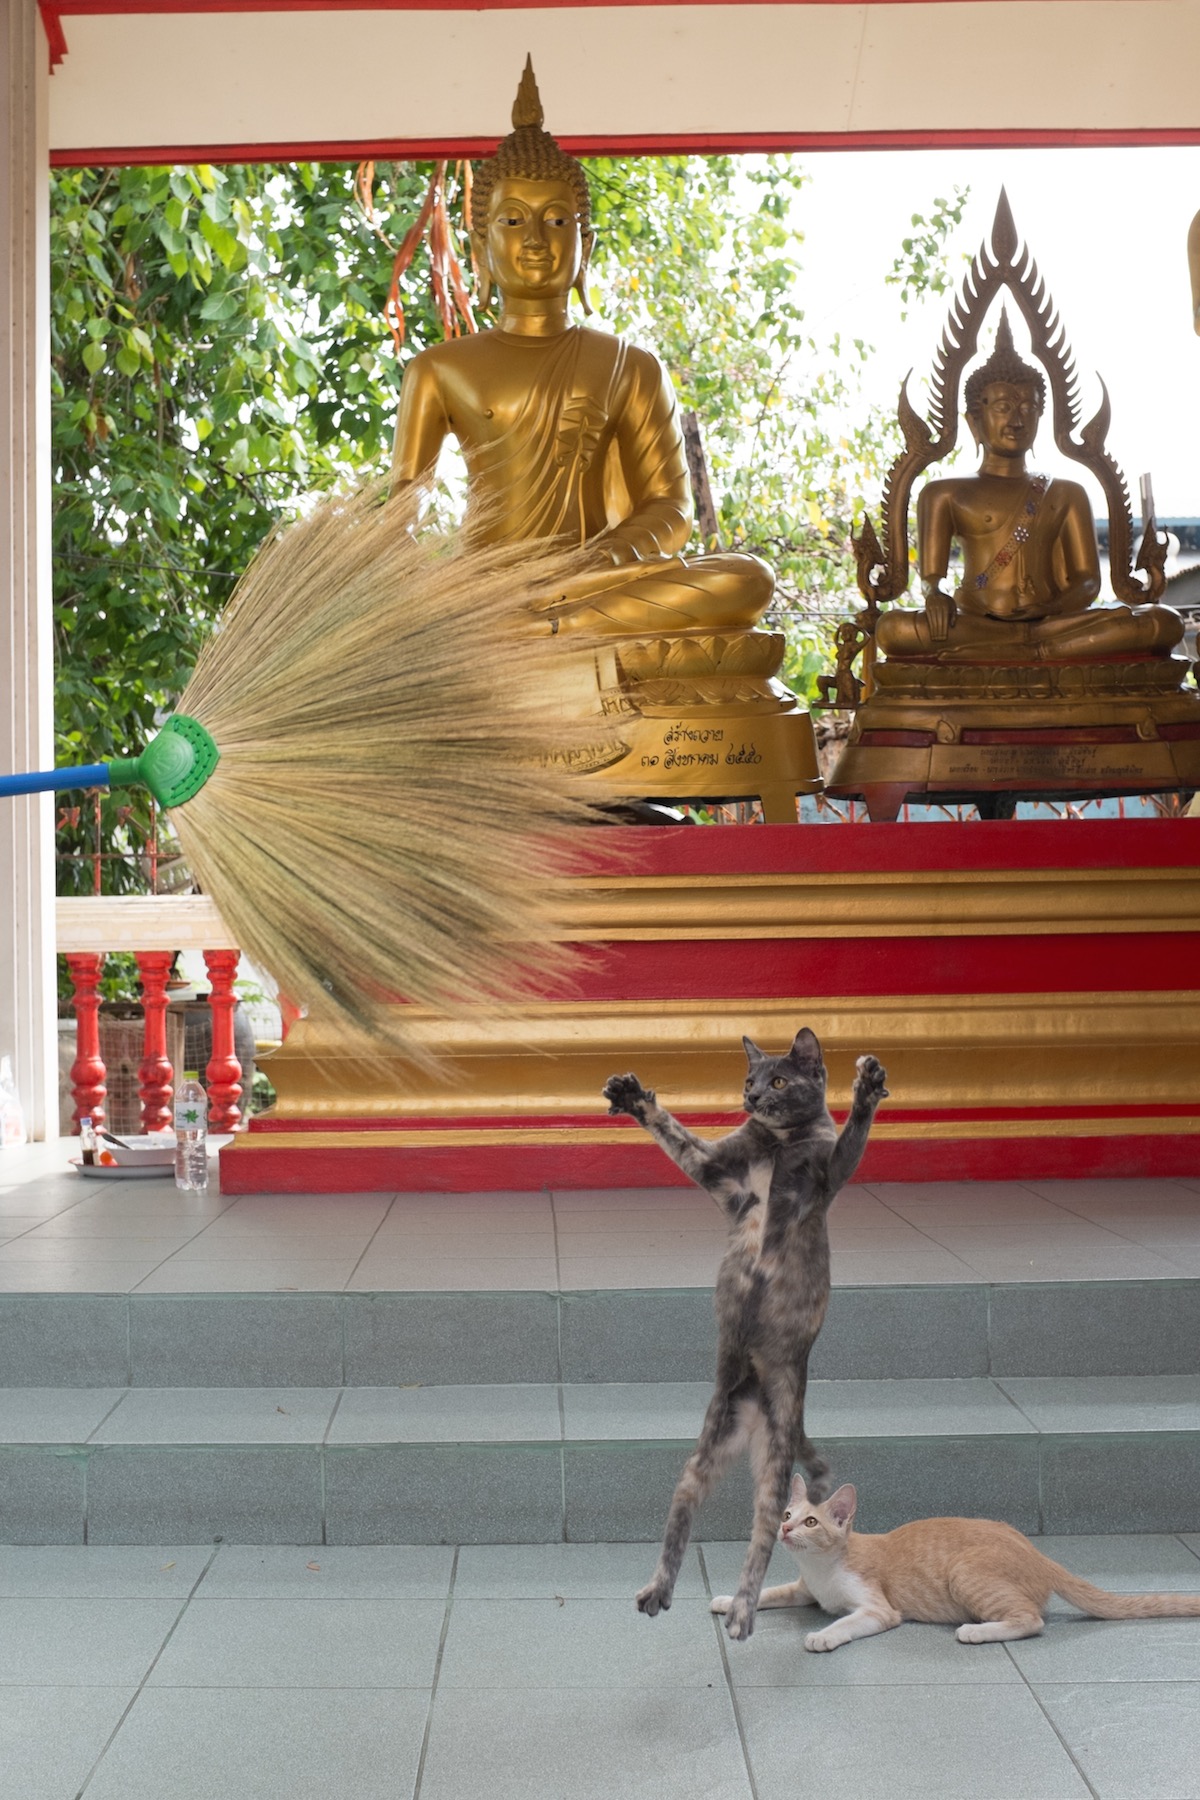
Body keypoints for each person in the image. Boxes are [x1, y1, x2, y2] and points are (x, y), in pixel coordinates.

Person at [389, 58, 773, 639]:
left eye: (556, 220)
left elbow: (670, 510)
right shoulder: (439, 369)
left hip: (593, 584)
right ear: (481, 245)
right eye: (514, 221)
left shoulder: (629, 366)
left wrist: (590, 566)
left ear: (584, 244)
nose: (537, 241)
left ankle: (539, 630)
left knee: (746, 580)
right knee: (426, 615)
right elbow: (399, 520)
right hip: (486, 590)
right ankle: (523, 630)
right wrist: (423, 589)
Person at [876, 314, 1183, 662]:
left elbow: (1087, 581)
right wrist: (936, 596)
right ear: (974, 420)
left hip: (1053, 623)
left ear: (1042, 416)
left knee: (1162, 622)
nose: (1017, 420)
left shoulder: (1067, 492)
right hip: (977, 622)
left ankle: (1028, 650)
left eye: (1028, 407)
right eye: (1004, 407)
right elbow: (933, 578)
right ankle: (1038, 654)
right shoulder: (944, 493)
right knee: (894, 629)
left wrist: (1050, 607)